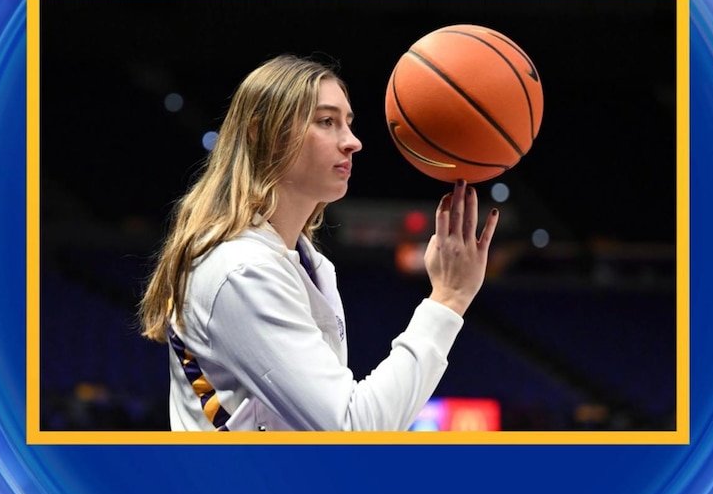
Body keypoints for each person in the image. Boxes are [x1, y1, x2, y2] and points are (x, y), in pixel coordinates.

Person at [139, 55, 498, 431]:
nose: (353, 142)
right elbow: (353, 428)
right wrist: (448, 299)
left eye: (348, 123)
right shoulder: (242, 270)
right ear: (262, 134)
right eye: (327, 122)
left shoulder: (302, 262)